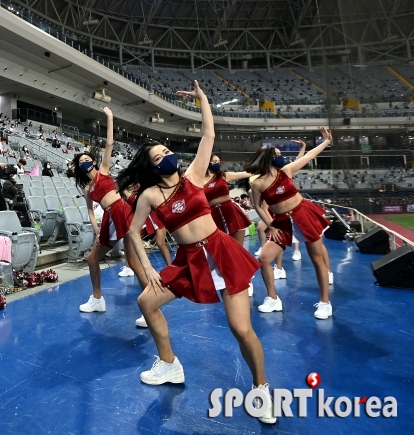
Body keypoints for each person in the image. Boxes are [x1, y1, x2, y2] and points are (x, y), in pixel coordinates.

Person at [116, 81, 275, 425]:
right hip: (189, 260)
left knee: (241, 329)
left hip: (221, 251)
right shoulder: (149, 196)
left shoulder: (194, 175)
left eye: (165, 152)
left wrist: (203, 99)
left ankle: (261, 387)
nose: (165, 158)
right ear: (150, 167)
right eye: (157, 157)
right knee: (147, 301)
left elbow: (208, 136)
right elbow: (131, 231)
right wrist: (149, 268)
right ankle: (170, 364)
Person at [244, 132, 335, 319]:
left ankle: (325, 302)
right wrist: (271, 225)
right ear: (267, 159)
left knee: (317, 259)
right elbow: (258, 206)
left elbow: (310, 155)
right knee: (264, 258)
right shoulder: (257, 184)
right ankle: (273, 298)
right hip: (281, 222)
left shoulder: (286, 171)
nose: (280, 157)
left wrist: (326, 141)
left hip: (304, 214)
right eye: (276, 155)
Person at [73, 107, 147, 323]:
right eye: (80, 162)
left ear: (94, 162)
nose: (84, 161)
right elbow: (89, 210)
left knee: (133, 263)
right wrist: (96, 228)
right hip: (108, 218)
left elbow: (110, 144)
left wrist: (110, 118)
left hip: (121, 211)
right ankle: (97, 299)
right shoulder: (88, 188)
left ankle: (148, 306)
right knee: (92, 258)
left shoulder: (104, 169)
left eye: (87, 158)